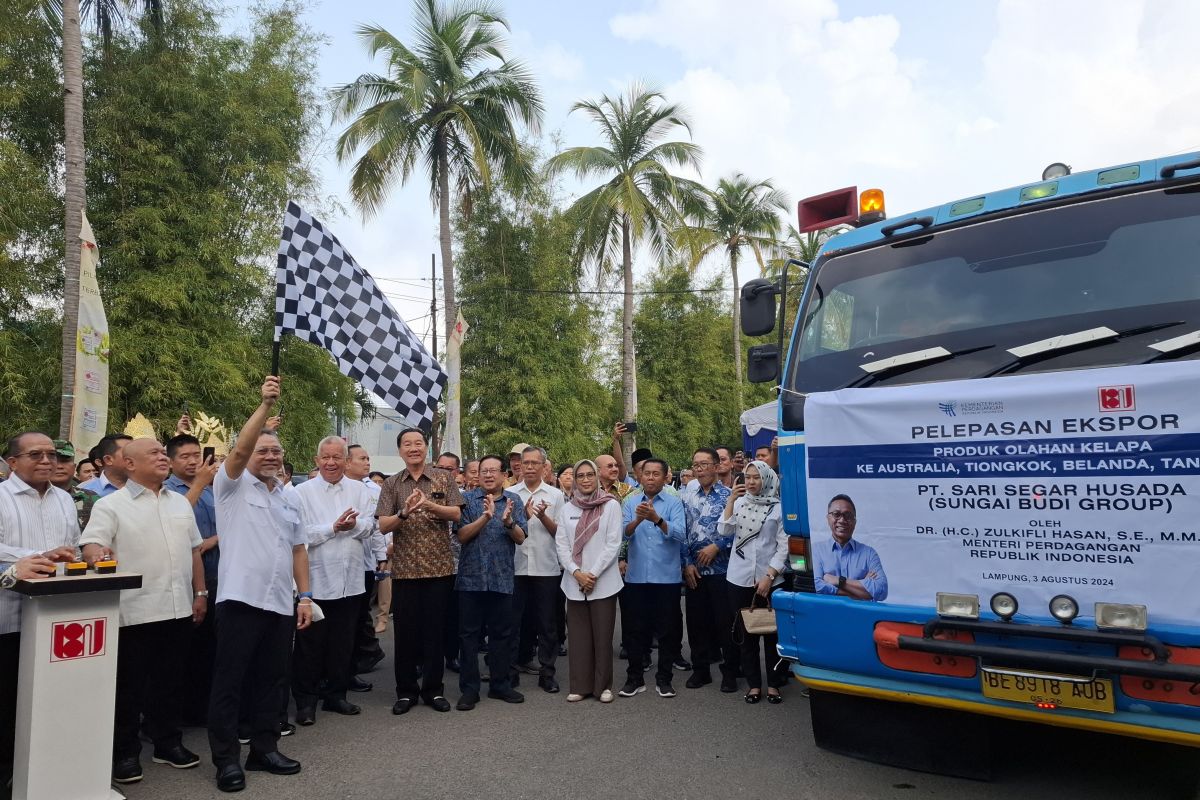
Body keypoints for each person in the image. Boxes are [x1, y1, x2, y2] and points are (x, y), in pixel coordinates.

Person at [206, 376, 313, 793]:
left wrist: (304, 597)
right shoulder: (230, 486)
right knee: (230, 682)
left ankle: (264, 749)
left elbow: (299, 550)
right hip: (240, 601)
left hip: (280, 603)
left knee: (273, 678)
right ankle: (227, 760)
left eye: (276, 451)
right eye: (262, 450)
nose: (269, 456)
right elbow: (237, 450)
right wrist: (265, 407)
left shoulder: (288, 496)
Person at [80, 438, 207, 783]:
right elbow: (92, 543)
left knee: (170, 683)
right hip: (134, 612)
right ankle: (124, 753)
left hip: (179, 608)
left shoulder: (180, 503)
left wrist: (200, 592)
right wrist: (97, 554)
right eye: (154, 453)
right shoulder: (111, 506)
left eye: (164, 453)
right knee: (130, 688)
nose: (163, 458)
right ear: (129, 464)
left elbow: (194, 551)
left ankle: (168, 744)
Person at [0, 432, 80, 786]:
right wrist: (29, 560)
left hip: (58, 622)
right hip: (10, 620)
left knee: (48, 705)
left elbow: (73, 548)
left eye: (52, 454)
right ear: (12, 462)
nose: (48, 461)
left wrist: (72, 557)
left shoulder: (64, 499)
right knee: (8, 705)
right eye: (36, 454)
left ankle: (47, 773)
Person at [375, 428, 464, 716]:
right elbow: (383, 525)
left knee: (435, 633)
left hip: (439, 569)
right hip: (404, 572)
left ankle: (433, 691)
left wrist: (428, 505)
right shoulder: (391, 484)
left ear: (426, 448)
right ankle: (406, 692)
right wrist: (404, 513)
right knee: (406, 634)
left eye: (418, 443)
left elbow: (456, 514)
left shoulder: (443, 477)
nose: (413, 448)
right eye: (407, 444)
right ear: (400, 451)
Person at [291, 437, 376, 725]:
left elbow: (370, 526)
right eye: (325, 457)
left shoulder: (359, 490)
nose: (330, 463)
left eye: (336, 457)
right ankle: (305, 702)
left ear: (345, 461)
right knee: (309, 647)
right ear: (316, 460)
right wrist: (333, 527)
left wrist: (354, 526)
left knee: (343, 644)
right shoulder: (301, 493)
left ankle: (336, 696)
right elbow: (300, 536)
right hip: (315, 582)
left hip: (350, 581)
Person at [455, 455, 527, 710]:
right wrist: (485, 517)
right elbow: (461, 536)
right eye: (483, 471)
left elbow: (520, 537)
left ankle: (500, 685)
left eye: (493, 470)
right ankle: (470, 689)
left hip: (502, 578)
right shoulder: (465, 500)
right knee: (468, 637)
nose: (487, 475)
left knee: (501, 635)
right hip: (470, 580)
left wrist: (508, 522)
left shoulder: (514, 500)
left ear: (503, 474)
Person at [164, 432, 221, 727]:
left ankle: (203, 707)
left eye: (195, 456)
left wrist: (214, 539)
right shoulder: (167, 490)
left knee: (210, 647)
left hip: (215, 573)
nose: (192, 461)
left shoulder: (213, 490)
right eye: (184, 456)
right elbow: (176, 521)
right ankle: (177, 714)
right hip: (183, 577)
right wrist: (199, 484)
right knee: (183, 648)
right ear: (170, 461)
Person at [555, 459, 622, 702]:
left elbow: (613, 544)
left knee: (602, 636)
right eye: (580, 475)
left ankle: (603, 686)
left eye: (589, 475)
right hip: (574, 581)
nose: (585, 480)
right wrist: (576, 573)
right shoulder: (567, 509)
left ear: (597, 477)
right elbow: (561, 546)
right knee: (579, 636)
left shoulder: (611, 505)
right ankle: (580, 685)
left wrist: (591, 574)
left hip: (602, 581)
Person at [721, 461, 789, 704]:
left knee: (773, 634)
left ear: (767, 480)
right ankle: (753, 684)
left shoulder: (779, 509)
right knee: (746, 634)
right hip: (738, 578)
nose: (750, 482)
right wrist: (730, 501)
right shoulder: (739, 503)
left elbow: (784, 546)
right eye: (747, 477)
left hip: (771, 579)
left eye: (756, 478)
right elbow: (724, 531)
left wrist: (769, 576)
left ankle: (774, 683)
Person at [618, 459, 686, 699]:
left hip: (666, 577)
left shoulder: (674, 502)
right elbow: (622, 534)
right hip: (636, 578)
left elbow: (680, 534)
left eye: (656, 474)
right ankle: (634, 678)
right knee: (636, 631)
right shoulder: (630, 501)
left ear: (666, 477)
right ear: (640, 476)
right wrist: (638, 519)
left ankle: (664, 679)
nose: (650, 478)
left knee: (667, 631)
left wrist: (657, 518)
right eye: (646, 473)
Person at [680, 447, 737, 693]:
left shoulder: (731, 496)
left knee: (726, 624)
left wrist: (717, 546)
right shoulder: (686, 497)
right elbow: (680, 532)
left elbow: (741, 532)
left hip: (723, 570)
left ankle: (730, 672)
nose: (700, 469)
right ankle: (700, 670)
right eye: (696, 465)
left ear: (716, 466)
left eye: (704, 464)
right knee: (696, 623)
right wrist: (687, 564)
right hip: (695, 572)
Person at [510, 446, 565, 693]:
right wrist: (520, 517)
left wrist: (542, 517)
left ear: (544, 466)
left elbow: (561, 535)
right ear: (519, 466)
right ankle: (509, 672)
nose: (530, 467)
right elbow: (503, 532)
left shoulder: (555, 495)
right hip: (515, 567)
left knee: (547, 624)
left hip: (546, 567)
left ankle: (547, 673)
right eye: (526, 462)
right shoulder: (509, 493)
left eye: (535, 463)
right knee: (513, 623)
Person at [346, 444, 386, 677]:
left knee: (360, 615)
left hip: (365, 562)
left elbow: (378, 526)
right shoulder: (337, 487)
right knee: (347, 620)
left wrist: (381, 556)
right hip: (339, 563)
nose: (367, 462)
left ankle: (362, 658)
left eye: (368, 458)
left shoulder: (373, 490)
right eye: (362, 458)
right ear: (347, 462)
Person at [813, 494, 888, 602]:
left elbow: (882, 590)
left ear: (855, 522)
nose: (842, 520)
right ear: (828, 518)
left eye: (847, 515)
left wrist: (837, 580)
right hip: (827, 613)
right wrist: (861, 592)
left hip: (861, 615)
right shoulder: (816, 550)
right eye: (836, 514)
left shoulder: (869, 553)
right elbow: (817, 586)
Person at [434, 452, 466, 672]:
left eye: (449, 469)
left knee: (454, 616)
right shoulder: (425, 493)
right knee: (431, 616)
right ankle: (424, 659)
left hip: (457, 565)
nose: (444, 473)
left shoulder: (465, 497)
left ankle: (452, 655)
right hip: (431, 565)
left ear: (457, 472)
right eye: (440, 468)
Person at [49, 439, 98, 531]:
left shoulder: (92, 499)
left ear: (74, 467)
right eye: (54, 461)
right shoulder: (31, 499)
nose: (59, 466)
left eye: (65, 461)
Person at [79, 433, 133, 497]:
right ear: (108, 459)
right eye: (128, 452)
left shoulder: (145, 487)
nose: (136, 456)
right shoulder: (85, 492)